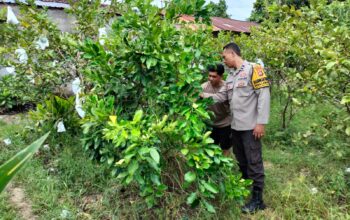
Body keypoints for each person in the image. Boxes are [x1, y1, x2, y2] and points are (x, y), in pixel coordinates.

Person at [201, 42, 270, 213]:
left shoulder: (253, 69)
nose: (223, 61)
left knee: (254, 160)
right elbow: (221, 96)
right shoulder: (231, 76)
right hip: (236, 127)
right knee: (241, 159)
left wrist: (261, 123)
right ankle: (247, 187)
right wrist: (202, 95)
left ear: (232, 54)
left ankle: (257, 200)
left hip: (250, 127)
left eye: (224, 57)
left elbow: (263, 96)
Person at [201, 63, 232, 156]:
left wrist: (203, 95)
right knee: (210, 148)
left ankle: (224, 167)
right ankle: (212, 168)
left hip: (225, 123)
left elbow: (219, 98)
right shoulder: (203, 87)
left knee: (225, 148)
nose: (211, 78)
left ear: (221, 76)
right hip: (210, 123)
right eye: (209, 76)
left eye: (214, 76)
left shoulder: (227, 87)